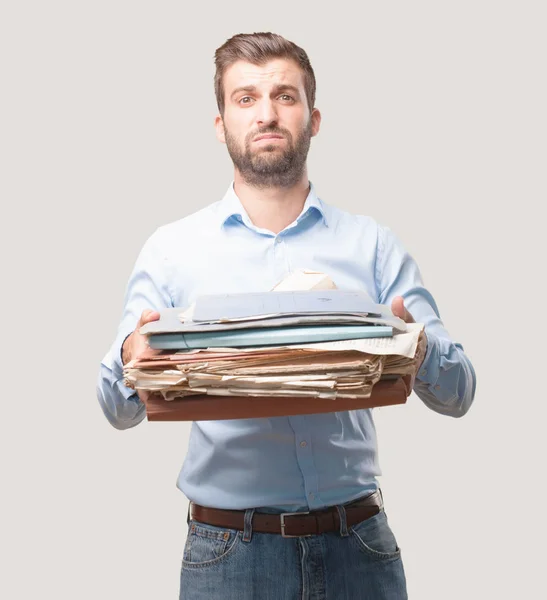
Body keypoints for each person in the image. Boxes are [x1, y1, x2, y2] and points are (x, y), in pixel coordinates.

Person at [97, 32, 476, 600]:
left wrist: (418, 349)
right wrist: (132, 358)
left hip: (360, 548)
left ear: (314, 118)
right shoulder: (171, 250)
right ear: (221, 122)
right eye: (246, 98)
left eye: (285, 96)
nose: (267, 113)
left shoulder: (371, 245)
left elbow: (460, 392)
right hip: (228, 554)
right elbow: (112, 406)